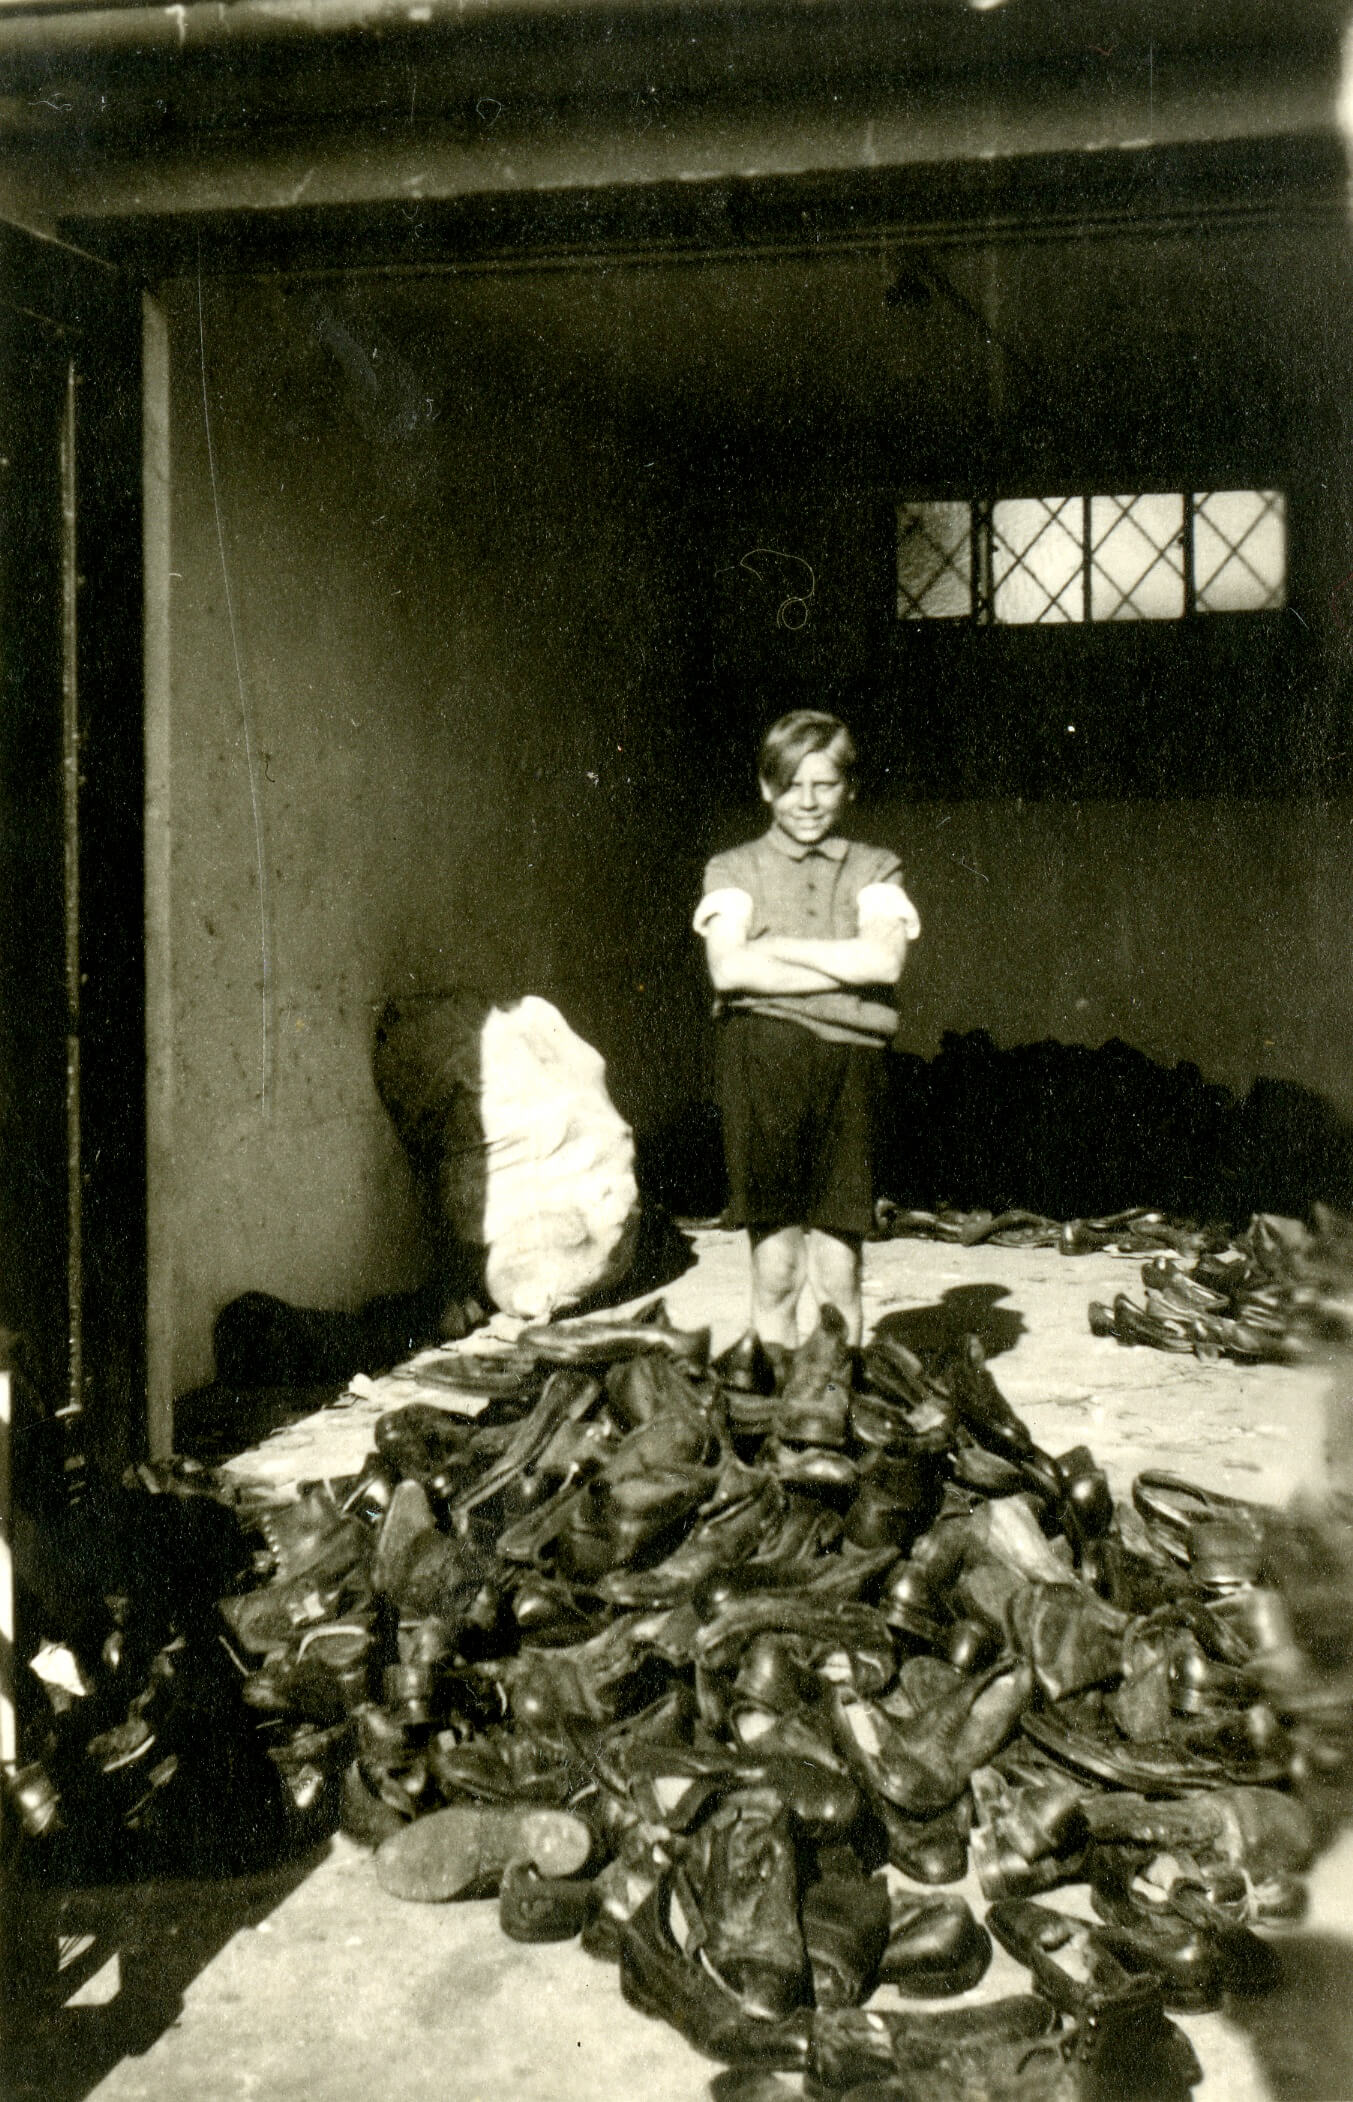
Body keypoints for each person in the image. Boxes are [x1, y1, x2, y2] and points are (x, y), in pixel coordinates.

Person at [693, 710, 920, 1351]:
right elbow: (729, 969)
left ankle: (836, 1396)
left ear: (849, 789)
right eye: (792, 785)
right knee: (776, 1267)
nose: (808, 802)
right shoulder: (733, 869)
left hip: (852, 1067)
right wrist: (834, 963)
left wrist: (776, 948)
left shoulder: (877, 869)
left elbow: (883, 960)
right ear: (767, 788)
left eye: (824, 785)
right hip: (760, 1062)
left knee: (839, 1266)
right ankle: (775, 1405)